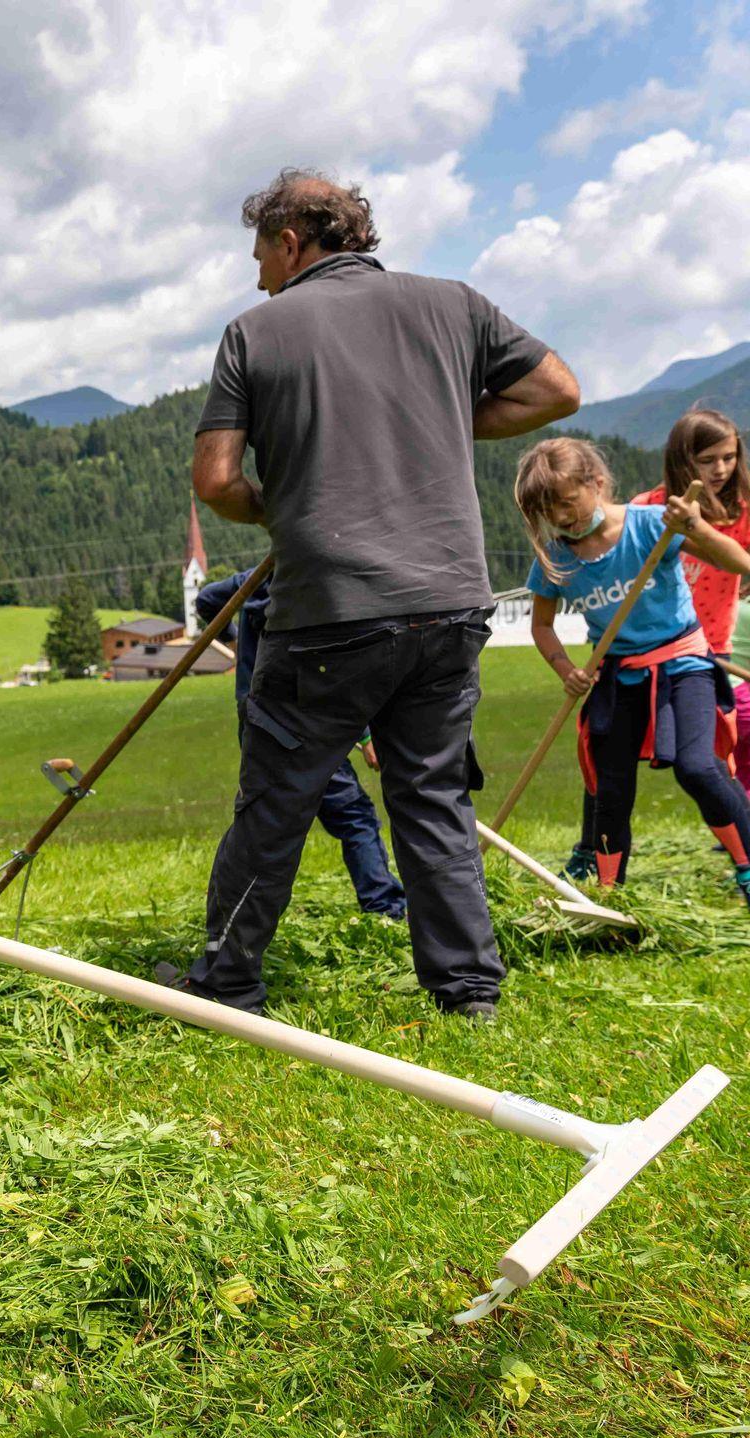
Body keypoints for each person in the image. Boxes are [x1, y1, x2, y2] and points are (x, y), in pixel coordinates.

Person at [186, 169, 581, 1018]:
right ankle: (468, 993)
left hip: (331, 610)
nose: (258, 276)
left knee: (278, 802)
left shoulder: (254, 331)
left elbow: (215, 481)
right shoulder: (454, 302)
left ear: (291, 241)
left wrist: (281, 506)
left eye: (260, 257)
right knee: (433, 796)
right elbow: (558, 390)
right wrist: (435, 420)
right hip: (450, 601)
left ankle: (228, 980)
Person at [515, 439, 750, 905]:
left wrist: (695, 527)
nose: (560, 517)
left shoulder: (651, 525)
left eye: (567, 502)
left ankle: (747, 864)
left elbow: (739, 562)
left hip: (684, 663)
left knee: (698, 767)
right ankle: (609, 896)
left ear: (597, 483)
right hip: (619, 673)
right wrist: (566, 669)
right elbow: (541, 626)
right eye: (547, 511)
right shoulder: (556, 557)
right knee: (610, 785)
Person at [568, 408, 750, 878]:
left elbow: (741, 562)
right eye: (707, 459)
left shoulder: (742, 510)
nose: (720, 469)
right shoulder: (649, 506)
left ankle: (742, 852)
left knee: (704, 763)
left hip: (702, 648)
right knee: (609, 754)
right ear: (683, 459)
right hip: (635, 653)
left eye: (729, 457)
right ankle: (590, 850)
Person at [195, 565, 406, 918]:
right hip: (307, 726)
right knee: (354, 817)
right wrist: (367, 735)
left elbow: (206, 600)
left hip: (258, 722)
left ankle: (233, 915)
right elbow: (336, 673)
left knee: (263, 823)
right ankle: (385, 907)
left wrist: (235, 639)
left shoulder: (255, 578)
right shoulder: (320, 585)